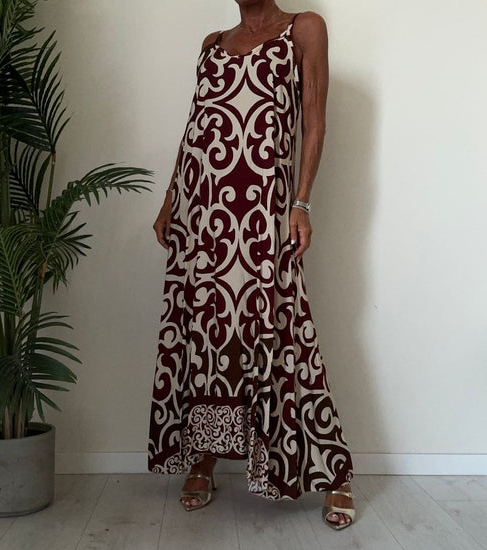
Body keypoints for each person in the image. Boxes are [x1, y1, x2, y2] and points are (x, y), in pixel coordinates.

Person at [149, 0, 356, 530]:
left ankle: (332, 469)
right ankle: (204, 456)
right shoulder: (211, 46)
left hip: (265, 210)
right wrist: (171, 199)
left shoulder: (303, 29)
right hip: (204, 210)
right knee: (208, 330)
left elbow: (315, 123)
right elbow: (195, 130)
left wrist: (301, 203)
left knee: (283, 330)